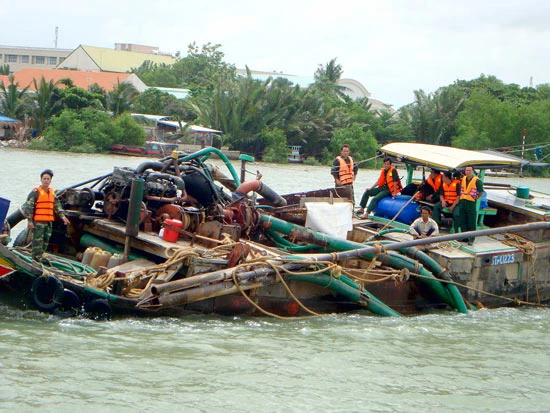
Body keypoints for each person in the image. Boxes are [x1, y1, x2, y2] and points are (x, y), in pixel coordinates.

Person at [21, 169, 70, 261]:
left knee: (45, 242)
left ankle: (40, 258)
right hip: (38, 222)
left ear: (50, 180)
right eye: (44, 179)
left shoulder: (52, 193)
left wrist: (63, 217)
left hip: (48, 222)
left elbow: (57, 206)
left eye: (48, 179)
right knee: (37, 242)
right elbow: (29, 207)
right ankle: (35, 260)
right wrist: (30, 221)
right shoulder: (35, 192)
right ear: (41, 180)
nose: (46, 181)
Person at [458, 165, 484, 245]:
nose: (468, 172)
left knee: (471, 221)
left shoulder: (477, 181)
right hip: (463, 201)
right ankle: (464, 237)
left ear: (473, 171)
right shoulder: (463, 179)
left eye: (469, 170)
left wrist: (475, 197)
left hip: (471, 202)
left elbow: (481, 192)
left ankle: (471, 238)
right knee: (463, 220)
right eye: (466, 170)